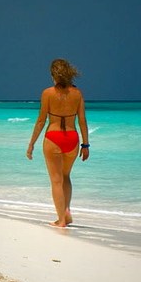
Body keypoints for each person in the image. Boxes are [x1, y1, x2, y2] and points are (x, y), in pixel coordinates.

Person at [26, 58, 90, 227]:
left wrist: (31, 143)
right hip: (72, 139)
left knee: (56, 180)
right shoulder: (77, 93)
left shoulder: (47, 93)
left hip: (53, 138)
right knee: (66, 176)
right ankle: (66, 211)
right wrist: (85, 145)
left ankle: (61, 219)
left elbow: (41, 121)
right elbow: (82, 120)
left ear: (53, 75)